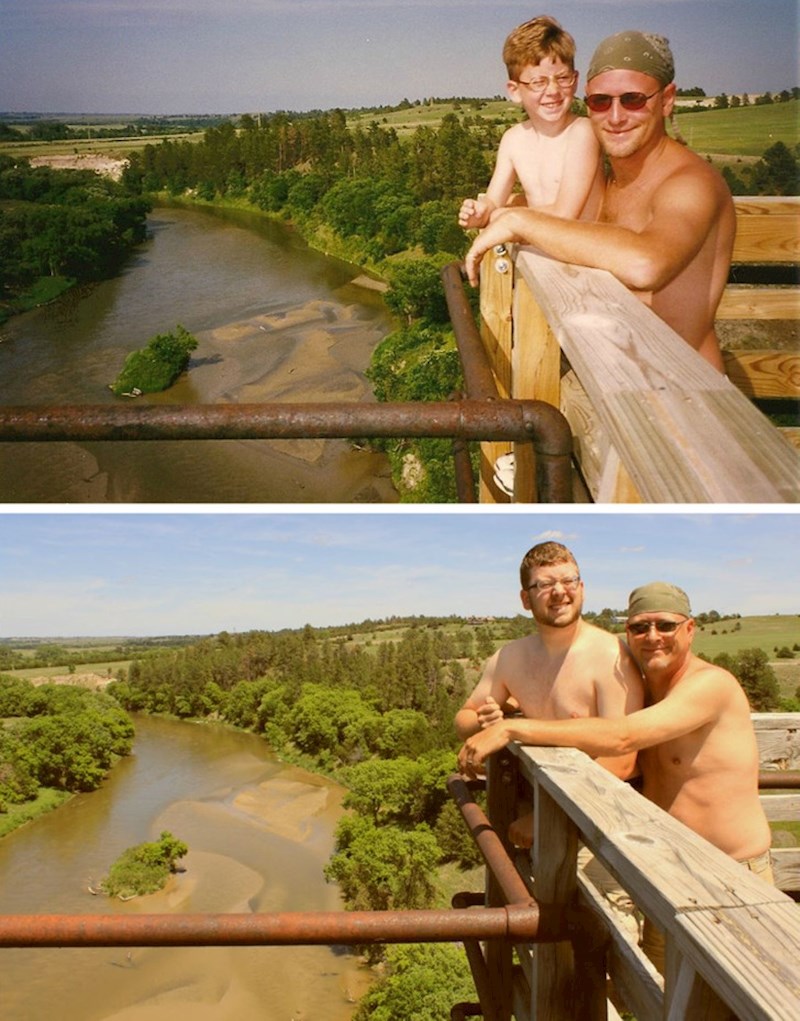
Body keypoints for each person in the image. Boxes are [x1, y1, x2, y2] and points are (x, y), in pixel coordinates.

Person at [458, 580, 773, 971]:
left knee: (745, 1000)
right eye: (639, 627)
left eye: (665, 625)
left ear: (690, 629)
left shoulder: (710, 686)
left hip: (730, 876)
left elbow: (621, 737)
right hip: (668, 872)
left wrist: (513, 728)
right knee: (663, 997)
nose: (652, 636)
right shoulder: (644, 691)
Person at [464, 30, 736, 373]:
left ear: (667, 100)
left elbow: (645, 264)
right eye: (601, 102)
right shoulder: (616, 181)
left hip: (687, 393)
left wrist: (519, 220)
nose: (616, 116)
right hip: (619, 380)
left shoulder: (691, 184)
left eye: (634, 99)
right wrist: (512, 204)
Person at [455, 540, 644, 846]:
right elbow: (463, 719)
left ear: (581, 587)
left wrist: (549, 814)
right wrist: (483, 724)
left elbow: (624, 759)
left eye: (568, 580)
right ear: (525, 599)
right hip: (536, 821)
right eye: (544, 584)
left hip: (603, 830)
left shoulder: (611, 656)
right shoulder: (510, 658)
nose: (559, 591)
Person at [458, 16, 604, 231]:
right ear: (515, 91)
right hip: (537, 244)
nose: (553, 91)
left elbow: (566, 214)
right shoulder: (513, 139)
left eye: (563, 78)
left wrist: (503, 217)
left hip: (580, 254)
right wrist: (482, 212)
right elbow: (494, 199)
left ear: (576, 80)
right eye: (538, 82)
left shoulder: (582, 132)